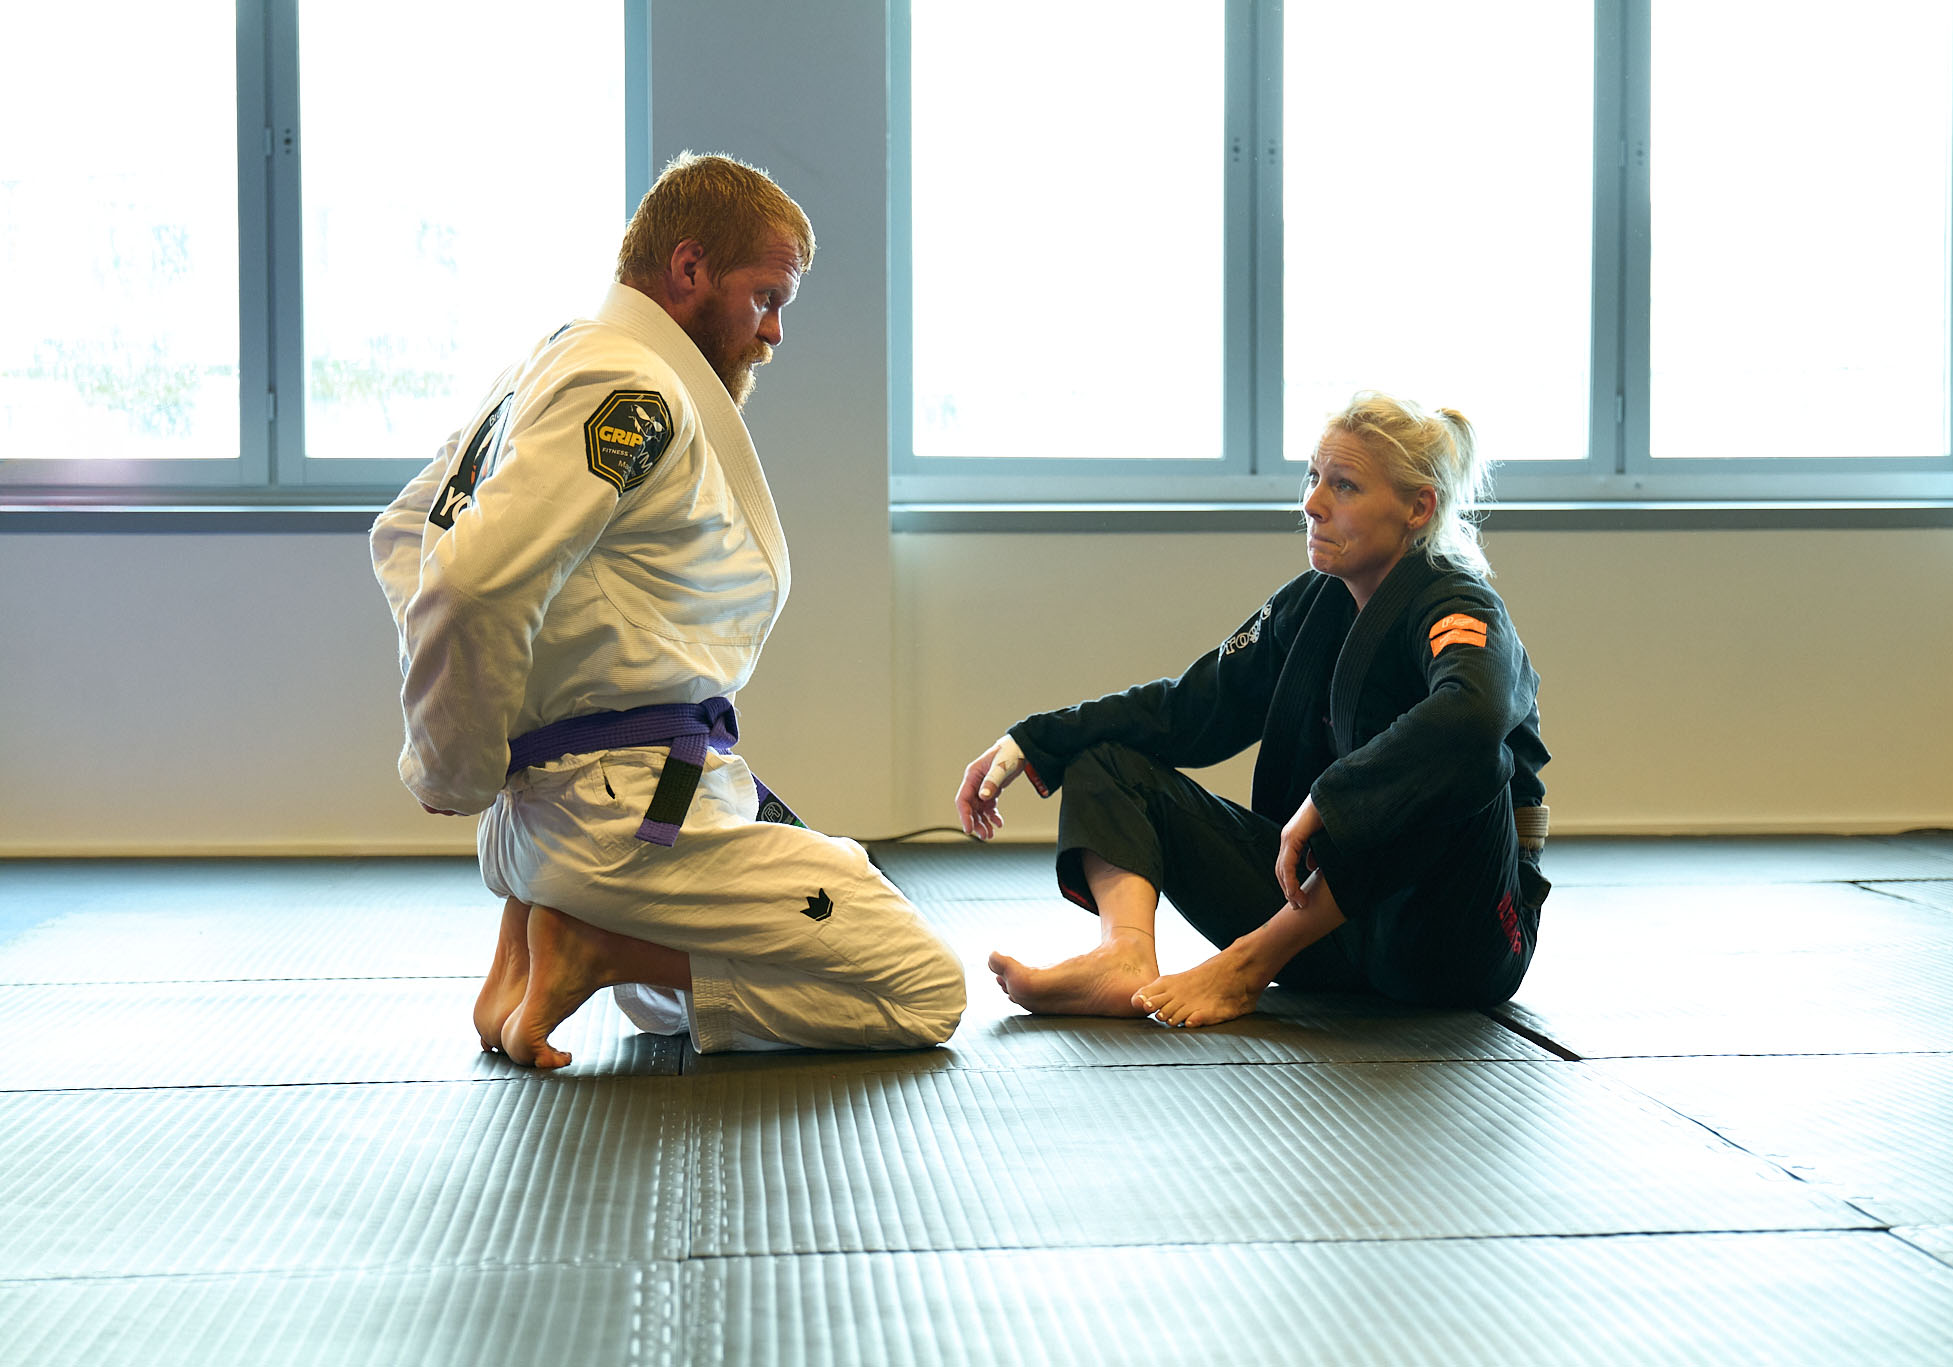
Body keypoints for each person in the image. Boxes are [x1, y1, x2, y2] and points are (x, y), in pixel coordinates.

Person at [372, 152, 965, 1066]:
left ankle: (537, 933)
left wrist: (501, 734)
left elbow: (409, 531)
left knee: (753, 952)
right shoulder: (631, 387)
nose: (774, 333)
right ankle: (596, 947)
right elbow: (469, 582)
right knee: (923, 985)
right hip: (618, 811)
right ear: (689, 269)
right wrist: (454, 765)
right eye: (766, 298)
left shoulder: (554, 359)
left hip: (589, 807)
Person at [956, 392, 1550, 1028]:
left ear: (1418, 507)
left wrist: (1329, 801)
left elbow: (1473, 716)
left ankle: (1245, 965)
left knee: (1462, 749)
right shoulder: (1310, 606)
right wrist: (1034, 740)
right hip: (1321, 921)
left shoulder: (1460, 604)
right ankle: (1123, 952)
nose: (1312, 503)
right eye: (1314, 477)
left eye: (1344, 485)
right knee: (1106, 756)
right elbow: (1187, 710)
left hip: (1449, 943)